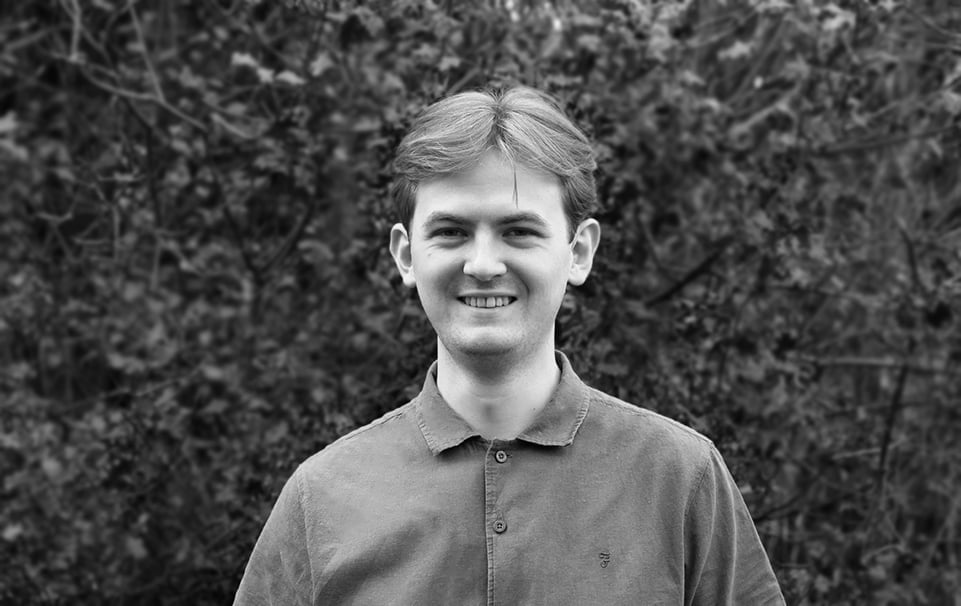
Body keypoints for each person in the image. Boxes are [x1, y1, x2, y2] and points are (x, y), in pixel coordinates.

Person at [233, 86, 786, 605]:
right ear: (405, 255)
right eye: (450, 232)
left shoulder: (681, 479)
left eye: (519, 231)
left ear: (579, 252)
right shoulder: (322, 499)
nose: (483, 264)